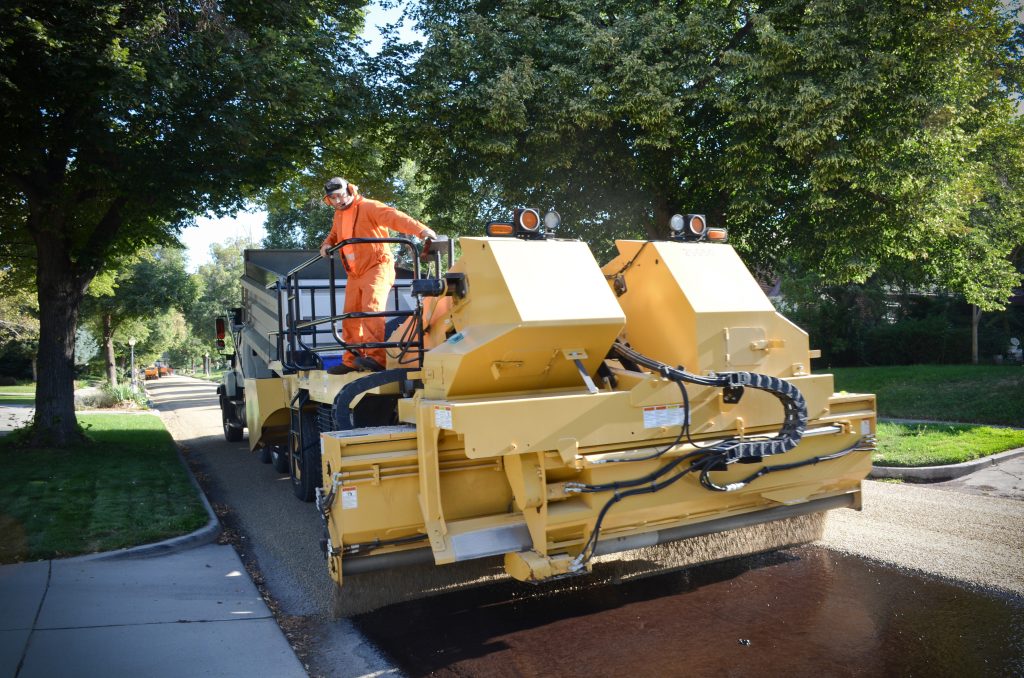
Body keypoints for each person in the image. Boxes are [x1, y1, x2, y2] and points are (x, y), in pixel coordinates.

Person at [319, 177, 436, 374]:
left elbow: (395, 217)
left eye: (339, 196)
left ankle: (376, 358)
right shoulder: (338, 215)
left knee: (371, 310)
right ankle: (351, 360)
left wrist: (422, 230)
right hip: (355, 273)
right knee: (350, 315)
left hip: (377, 266)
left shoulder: (369, 206)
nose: (337, 201)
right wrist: (326, 244)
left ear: (349, 190)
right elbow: (334, 234)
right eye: (332, 198)